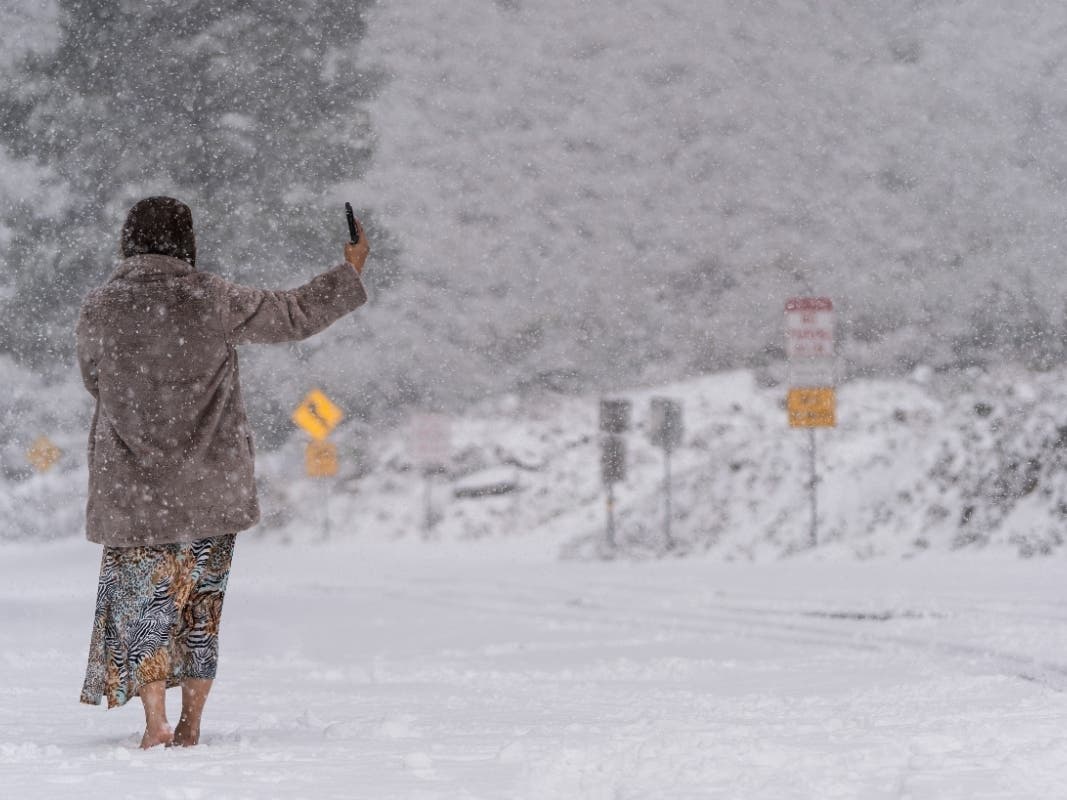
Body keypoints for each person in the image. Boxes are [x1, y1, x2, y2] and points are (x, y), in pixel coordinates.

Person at [76, 196, 369, 748]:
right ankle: (192, 723)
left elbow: (94, 379)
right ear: (186, 240)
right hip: (209, 486)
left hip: (134, 491)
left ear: (129, 239)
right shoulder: (213, 298)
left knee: (144, 603)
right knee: (200, 605)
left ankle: (155, 719)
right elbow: (295, 313)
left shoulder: (101, 306)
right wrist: (350, 269)